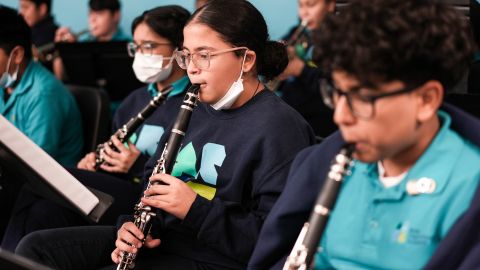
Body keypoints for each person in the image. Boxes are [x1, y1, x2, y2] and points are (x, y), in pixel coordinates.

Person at [15, 0, 316, 269]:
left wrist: (194, 209)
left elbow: (273, 241)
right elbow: (151, 183)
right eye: (187, 56)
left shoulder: (281, 129)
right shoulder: (192, 106)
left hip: (213, 257)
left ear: (246, 60)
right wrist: (132, 228)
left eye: (205, 55)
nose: (192, 69)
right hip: (166, 242)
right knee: (35, 249)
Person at [248, 0, 480, 269]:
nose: (340, 116)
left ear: (426, 100)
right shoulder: (323, 163)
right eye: (337, 93)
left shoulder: (468, 186)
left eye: (361, 99)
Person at [1, 5, 192, 252]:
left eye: (150, 47)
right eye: (136, 47)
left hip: (146, 198)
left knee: (37, 183)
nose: (140, 55)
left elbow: (188, 172)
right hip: (119, 187)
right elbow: (114, 151)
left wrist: (136, 164)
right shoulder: (134, 100)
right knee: (42, 210)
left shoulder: (193, 103)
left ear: (179, 49)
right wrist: (96, 163)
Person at [0, 4, 83, 241]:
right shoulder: (4, 83)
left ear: (16, 55)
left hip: (47, 193)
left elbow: (33, 166)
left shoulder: (44, 94)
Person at [275, 0, 337, 139]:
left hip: (321, 127)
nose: (304, 12)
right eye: (301, 5)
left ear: (330, 5)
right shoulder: (295, 32)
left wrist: (301, 69)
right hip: (289, 116)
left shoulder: (340, 38)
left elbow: (334, 88)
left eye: (311, 5)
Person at [53, 0, 129, 80]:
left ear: (116, 15)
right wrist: (64, 49)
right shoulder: (83, 43)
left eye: (99, 14)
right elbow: (61, 78)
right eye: (90, 14)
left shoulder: (129, 44)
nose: (92, 19)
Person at [18, 0, 58, 70]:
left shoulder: (48, 35)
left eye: (25, 7)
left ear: (42, 9)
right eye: (21, 7)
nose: (21, 12)